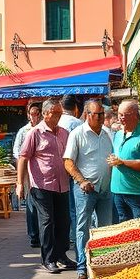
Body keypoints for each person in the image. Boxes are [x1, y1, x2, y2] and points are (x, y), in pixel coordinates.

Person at [17, 99, 72, 273]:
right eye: (56, 113)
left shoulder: (64, 133)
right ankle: (48, 258)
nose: (59, 116)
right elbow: (23, 158)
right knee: (47, 220)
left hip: (62, 184)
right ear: (46, 114)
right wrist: (20, 183)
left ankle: (61, 255)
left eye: (60, 113)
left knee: (63, 220)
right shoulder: (35, 133)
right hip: (41, 185)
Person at [64, 100, 114, 279]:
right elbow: (68, 162)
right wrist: (81, 180)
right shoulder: (77, 134)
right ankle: (81, 267)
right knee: (82, 228)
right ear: (87, 115)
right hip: (86, 191)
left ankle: (102, 264)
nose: (101, 118)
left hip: (106, 189)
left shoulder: (107, 134)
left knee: (105, 228)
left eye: (102, 114)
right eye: (97, 114)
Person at [107, 100, 140, 223]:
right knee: (121, 230)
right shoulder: (118, 134)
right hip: (117, 192)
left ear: (135, 115)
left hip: (137, 193)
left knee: (139, 229)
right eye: (119, 114)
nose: (120, 118)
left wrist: (123, 162)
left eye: (124, 115)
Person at [13, 101, 42, 248]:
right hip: (28, 174)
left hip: (43, 173)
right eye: (32, 113)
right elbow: (17, 152)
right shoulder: (24, 131)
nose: (34, 116)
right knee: (31, 202)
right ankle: (34, 235)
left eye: (37, 113)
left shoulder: (45, 130)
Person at [58, 95, 84, 247]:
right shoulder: (79, 124)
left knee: (62, 206)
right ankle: (75, 235)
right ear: (75, 108)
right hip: (75, 170)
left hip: (57, 170)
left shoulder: (56, 123)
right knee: (75, 206)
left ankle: (65, 236)